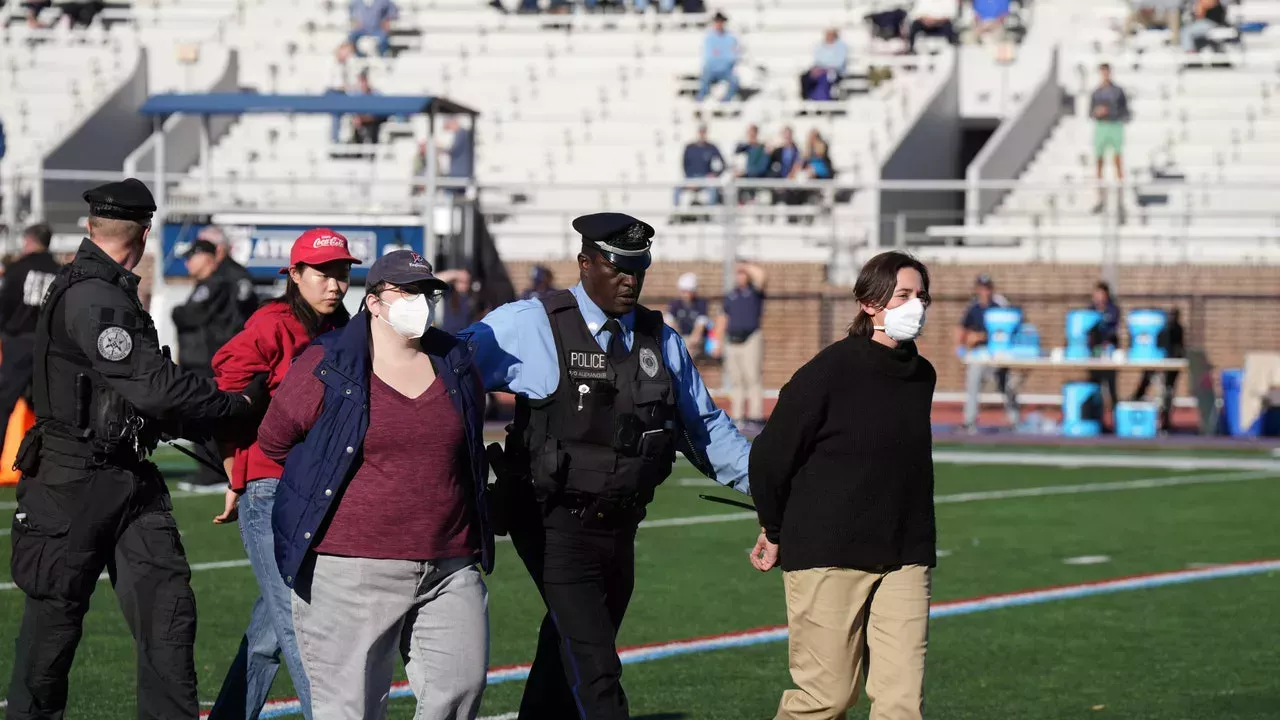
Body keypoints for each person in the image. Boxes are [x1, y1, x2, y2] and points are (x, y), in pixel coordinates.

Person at [460, 212, 752, 720]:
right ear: (585, 263)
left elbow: (705, 428)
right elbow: (449, 374)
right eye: (618, 268)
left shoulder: (658, 339)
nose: (630, 280)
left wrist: (775, 485)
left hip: (620, 525)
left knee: (565, 654)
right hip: (552, 522)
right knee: (597, 674)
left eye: (639, 269)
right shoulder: (531, 324)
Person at [6, 179, 263, 720]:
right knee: (53, 632)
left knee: (167, 613)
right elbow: (158, 387)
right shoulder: (96, 295)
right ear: (144, 234)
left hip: (124, 474)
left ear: (91, 227)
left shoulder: (102, 288)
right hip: (74, 480)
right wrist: (237, 404)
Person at [264, 250, 493, 720]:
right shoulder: (326, 363)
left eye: (427, 292)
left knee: (459, 693)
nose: (420, 302)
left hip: (448, 564)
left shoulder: (455, 362)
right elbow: (275, 441)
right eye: (406, 291)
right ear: (372, 302)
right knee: (351, 711)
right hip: (351, 570)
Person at [749, 250, 936, 720]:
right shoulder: (829, 371)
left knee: (901, 705)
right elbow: (770, 456)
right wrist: (773, 529)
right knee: (825, 698)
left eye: (921, 296)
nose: (917, 306)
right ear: (869, 303)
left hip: (905, 555)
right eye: (904, 296)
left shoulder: (922, 374)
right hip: (829, 552)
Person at [206, 229, 358, 720]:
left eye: (342, 272)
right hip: (270, 489)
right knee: (301, 625)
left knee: (272, 631)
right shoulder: (272, 324)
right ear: (293, 275)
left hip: (320, 490)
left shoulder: (346, 326)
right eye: (323, 273)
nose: (334, 284)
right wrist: (235, 475)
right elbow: (224, 394)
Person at [172, 238, 251, 491]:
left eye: (192, 256)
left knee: (206, 415)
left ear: (207, 257)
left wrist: (177, 312)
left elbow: (190, 315)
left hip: (207, 363)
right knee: (201, 415)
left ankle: (214, 472)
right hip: (200, 361)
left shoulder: (216, 283)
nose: (187, 263)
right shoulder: (210, 283)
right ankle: (214, 470)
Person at [0, 223, 60, 428]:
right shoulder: (59, 273)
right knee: (47, 410)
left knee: (3, 405)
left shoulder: (18, 268)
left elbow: (5, 305)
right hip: (48, 347)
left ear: (28, 240)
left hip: (18, 344)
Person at [958, 273, 1020, 431]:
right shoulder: (974, 308)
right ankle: (969, 420)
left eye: (987, 288)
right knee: (973, 381)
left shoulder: (999, 306)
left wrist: (980, 336)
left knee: (1006, 384)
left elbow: (1005, 331)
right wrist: (961, 345)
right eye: (982, 288)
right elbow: (962, 328)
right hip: (981, 353)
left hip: (999, 351)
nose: (985, 292)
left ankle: (1014, 419)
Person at [717, 262, 767, 429]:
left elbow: (762, 276)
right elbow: (723, 317)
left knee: (753, 378)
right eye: (738, 273)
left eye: (743, 273)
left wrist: (746, 265)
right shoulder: (731, 295)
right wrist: (717, 342)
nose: (740, 276)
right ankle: (738, 417)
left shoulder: (754, 292)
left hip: (751, 339)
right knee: (736, 380)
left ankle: (755, 417)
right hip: (732, 341)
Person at [1132, 307, 1185, 431]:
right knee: (1157, 393)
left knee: (1166, 396)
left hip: (1170, 369)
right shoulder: (1161, 330)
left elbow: (1176, 350)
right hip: (1159, 367)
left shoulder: (1177, 330)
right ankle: (1139, 408)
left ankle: (1164, 422)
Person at [1090, 63, 1130, 215]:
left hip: (1114, 126)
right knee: (1099, 162)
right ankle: (1100, 199)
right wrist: (1098, 112)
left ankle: (1120, 200)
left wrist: (1110, 112)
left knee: (1117, 161)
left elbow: (1125, 111)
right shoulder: (1096, 92)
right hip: (1102, 127)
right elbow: (1091, 112)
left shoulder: (1118, 91)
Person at [200, 225, 259, 323]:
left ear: (219, 249)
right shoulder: (211, 274)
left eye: (204, 248)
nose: (198, 254)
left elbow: (239, 312)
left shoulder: (236, 275)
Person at [1088, 280, 1122, 431]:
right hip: (1093, 356)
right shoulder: (1089, 310)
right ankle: (1097, 421)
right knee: (1095, 388)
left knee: (1111, 389)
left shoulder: (1113, 310)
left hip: (1108, 356)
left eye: (1100, 293)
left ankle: (1117, 423)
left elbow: (1111, 330)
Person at [675, 124, 726, 207]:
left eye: (704, 132)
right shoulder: (689, 147)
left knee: (713, 188)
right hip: (691, 178)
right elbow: (684, 165)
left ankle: (710, 213)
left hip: (705, 178)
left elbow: (723, 164)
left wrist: (715, 174)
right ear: (698, 133)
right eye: (701, 132)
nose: (702, 134)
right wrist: (690, 181)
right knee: (677, 189)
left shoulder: (711, 147)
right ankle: (676, 213)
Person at [697, 12, 741, 102]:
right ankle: (700, 101)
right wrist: (724, 56)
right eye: (717, 22)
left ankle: (726, 101)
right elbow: (709, 57)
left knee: (735, 80)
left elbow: (733, 56)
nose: (719, 24)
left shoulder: (730, 37)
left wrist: (721, 56)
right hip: (712, 69)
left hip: (726, 69)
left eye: (721, 22)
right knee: (704, 79)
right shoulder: (709, 37)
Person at [664, 272, 710, 357]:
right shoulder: (675, 304)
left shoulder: (701, 303)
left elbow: (700, 326)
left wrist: (692, 341)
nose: (685, 294)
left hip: (694, 340)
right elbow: (669, 321)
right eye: (683, 291)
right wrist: (676, 339)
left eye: (687, 291)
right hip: (680, 337)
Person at [800, 29, 848, 101]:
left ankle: (823, 100)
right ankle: (806, 100)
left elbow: (839, 63)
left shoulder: (841, 46)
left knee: (824, 79)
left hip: (835, 72)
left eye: (830, 35)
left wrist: (824, 68)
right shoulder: (821, 46)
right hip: (820, 70)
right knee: (805, 77)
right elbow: (817, 60)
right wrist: (817, 69)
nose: (828, 37)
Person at [436, 267, 483, 334]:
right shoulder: (449, 293)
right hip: (448, 336)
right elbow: (435, 279)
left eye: (467, 281)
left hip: (465, 337)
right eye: (461, 281)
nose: (465, 285)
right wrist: (456, 273)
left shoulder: (472, 296)